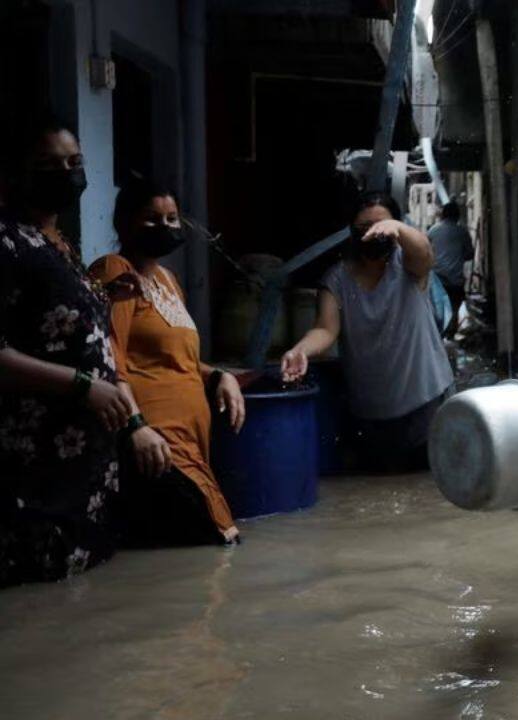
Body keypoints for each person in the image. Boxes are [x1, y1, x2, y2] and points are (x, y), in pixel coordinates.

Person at [0, 121, 134, 586]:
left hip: (88, 473)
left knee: (83, 609)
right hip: (38, 470)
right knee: (40, 588)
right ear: (17, 171)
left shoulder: (62, 244)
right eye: (49, 164)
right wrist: (82, 386)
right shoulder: (7, 241)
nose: (67, 172)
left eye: (74, 163)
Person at [87, 181, 243, 546]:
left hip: (192, 445)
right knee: (211, 547)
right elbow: (109, 358)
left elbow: (179, 361)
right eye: (152, 219)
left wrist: (220, 375)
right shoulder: (116, 272)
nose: (165, 227)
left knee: (217, 546)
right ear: (124, 223)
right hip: (155, 444)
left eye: (172, 219)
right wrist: (136, 426)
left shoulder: (169, 281)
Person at [281, 193, 453, 473]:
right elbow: (325, 329)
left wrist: (399, 228)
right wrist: (300, 350)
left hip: (426, 401)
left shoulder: (408, 265)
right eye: (364, 228)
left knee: (431, 489)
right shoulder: (336, 279)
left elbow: (424, 253)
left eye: (381, 226)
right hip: (371, 411)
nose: (373, 234)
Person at [426, 201, 473, 328]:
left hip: (436, 279)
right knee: (453, 310)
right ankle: (450, 335)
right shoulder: (462, 232)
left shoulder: (432, 231)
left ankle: (439, 335)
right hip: (454, 280)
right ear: (457, 216)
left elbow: (426, 252)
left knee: (436, 310)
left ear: (442, 215)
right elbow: (470, 254)